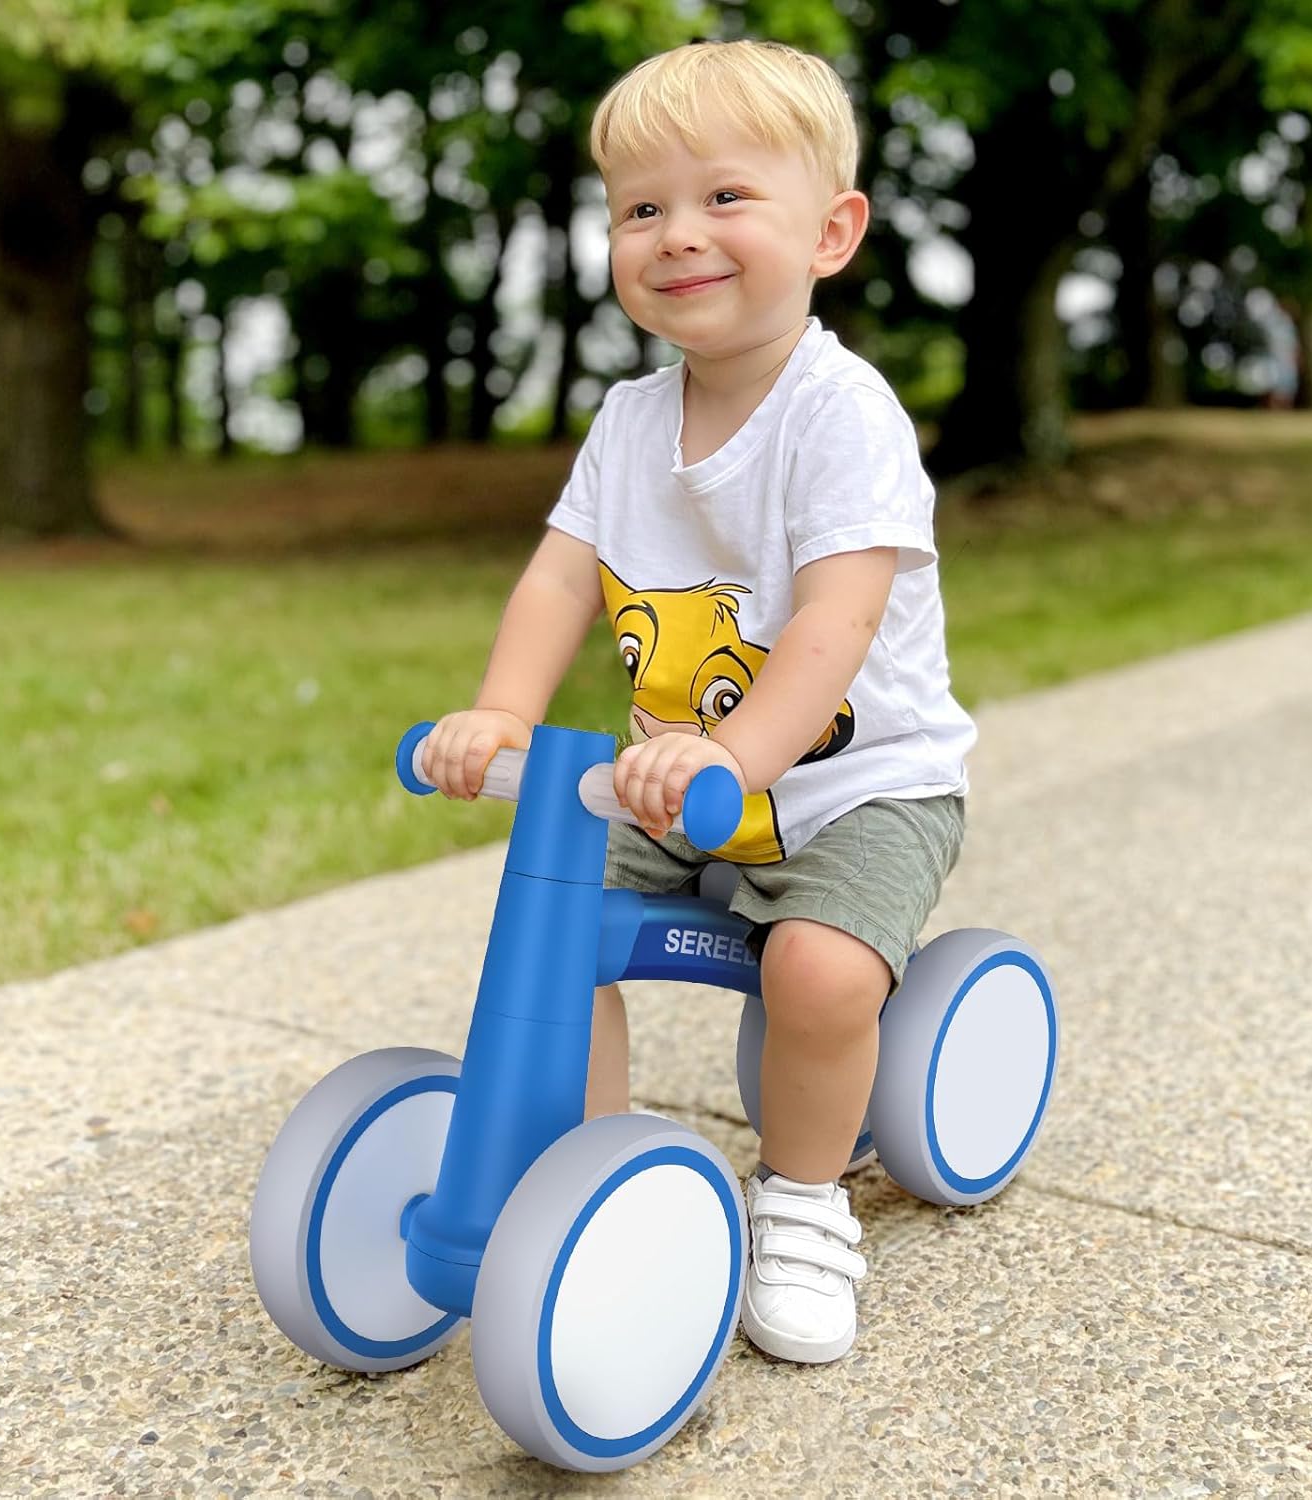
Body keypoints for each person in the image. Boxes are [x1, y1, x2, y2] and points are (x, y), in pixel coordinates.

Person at [418, 38, 974, 1365]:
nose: (680, 235)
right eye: (643, 209)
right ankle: (590, 1179)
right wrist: (500, 710)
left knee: (821, 974)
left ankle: (800, 1198)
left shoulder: (842, 415)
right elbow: (560, 581)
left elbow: (836, 630)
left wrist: (739, 753)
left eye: (726, 197)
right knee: (551, 928)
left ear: (831, 231)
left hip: (855, 786)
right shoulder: (626, 422)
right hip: (680, 783)